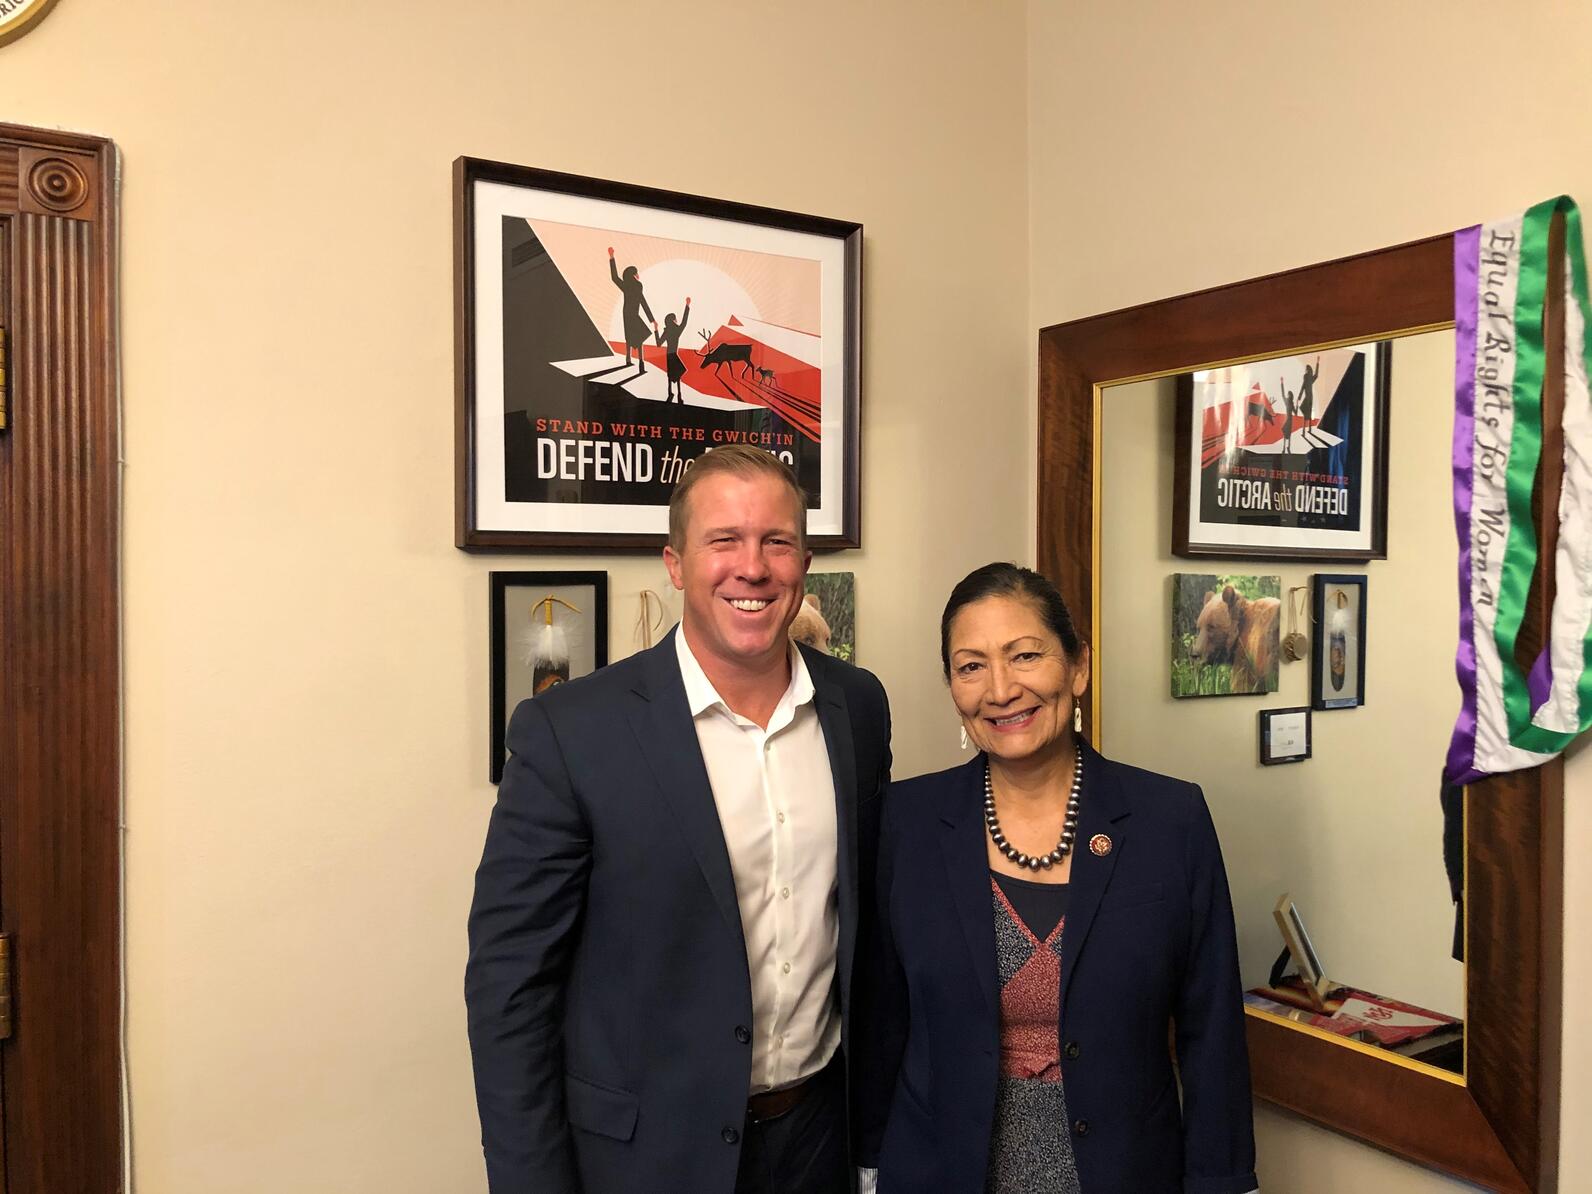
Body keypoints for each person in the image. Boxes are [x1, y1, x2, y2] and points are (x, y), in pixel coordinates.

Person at [466, 444, 892, 1194]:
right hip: (645, 1159)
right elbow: (510, 987)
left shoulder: (857, 706)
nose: (752, 567)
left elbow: (870, 931)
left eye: (777, 542)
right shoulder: (572, 732)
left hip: (819, 1139)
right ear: (674, 563)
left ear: (804, 560)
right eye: (723, 541)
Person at [856, 563, 1256, 1194]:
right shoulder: (903, 824)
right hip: (937, 1172)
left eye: (1025, 655)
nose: (1001, 688)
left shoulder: (1169, 820)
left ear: (1078, 667)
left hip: (1125, 1173)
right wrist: (869, 1170)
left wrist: (1223, 1182)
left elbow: (1213, 1033)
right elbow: (881, 1023)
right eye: (971, 666)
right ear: (952, 687)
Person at [609, 246, 656, 370]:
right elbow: (643, 301)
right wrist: (651, 319)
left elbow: (614, 277)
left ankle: (630, 360)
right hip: (633, 314)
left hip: (629, 314)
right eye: (636, 273)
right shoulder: (637, 286)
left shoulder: (627, 286)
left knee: (631, 337)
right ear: (633, 275)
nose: (638, 275)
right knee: (637, 337)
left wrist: (612, 258)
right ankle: (639, 361)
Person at [654, 297, 692, 402]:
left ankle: (671, 392)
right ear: (672, 320)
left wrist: (656, 330)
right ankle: (678, 394)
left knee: (671, 374)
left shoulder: (668, 331)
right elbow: (684, 321)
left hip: (669, 354)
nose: (677, 320)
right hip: (673, 354)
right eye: (675, 319)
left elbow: (658, 343)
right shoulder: (677, 331)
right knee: (677, 374)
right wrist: (687, 306)